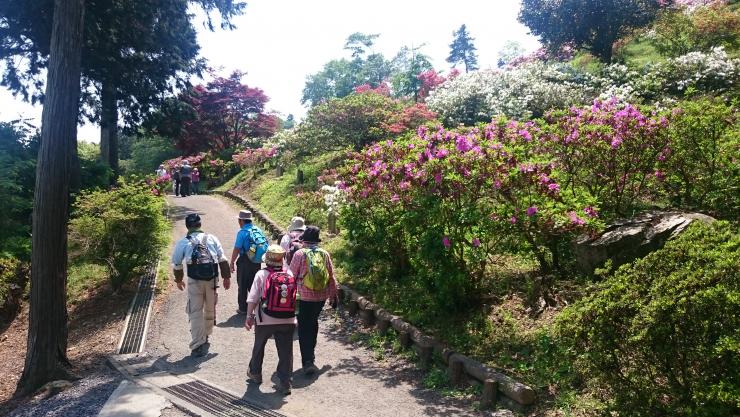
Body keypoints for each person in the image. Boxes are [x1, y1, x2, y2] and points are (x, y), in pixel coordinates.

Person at [171, 213, 231, 357]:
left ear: (187, 226)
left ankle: (198, 343)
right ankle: (207, 334)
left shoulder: (184, 242)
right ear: (200, 224)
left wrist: (179, 280)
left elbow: (177, 263)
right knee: (210, 308)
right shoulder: (211, 238)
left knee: (195, 311)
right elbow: (222, 259)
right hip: (212, 279)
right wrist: (226, 277)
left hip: (194, 280)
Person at [245, 244, 296, 395]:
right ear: (282, 259)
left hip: (265, 319)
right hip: (288, 319)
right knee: (286, 351)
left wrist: (249, 316)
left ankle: (255, 373)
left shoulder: (261, 274)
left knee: (259, 346)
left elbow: (253, 297)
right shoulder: (290, 274)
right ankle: (285, 382)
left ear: (266, 260)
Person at [289, 225, 337, 375]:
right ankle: (311, 356)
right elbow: (331, 276)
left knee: (303, 326)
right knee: (313, 322)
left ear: (304, 240)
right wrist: (333, 295)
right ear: (317, 240)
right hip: (320, 297)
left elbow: (291, 276)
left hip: (302, 297)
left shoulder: (299, 254)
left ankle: (307, 361)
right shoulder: (324, 254)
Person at [230, 210, 269, 315]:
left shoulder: (242, 232)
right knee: (254, 284)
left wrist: (232, 262)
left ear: (241, 221)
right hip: (256, 261)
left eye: (239, 220)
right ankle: (256, 308)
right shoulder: (258, 230)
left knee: (242, 285)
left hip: (244, 260)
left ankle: (243, 308)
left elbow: (237, 248)